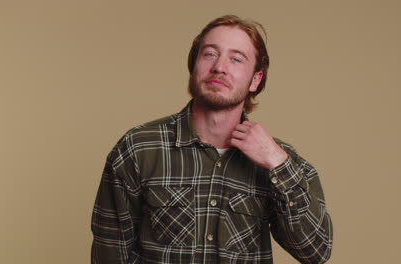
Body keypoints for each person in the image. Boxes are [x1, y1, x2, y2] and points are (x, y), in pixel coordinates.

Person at [91, 15, 333, 263]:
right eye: (209, 54)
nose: (220, 67)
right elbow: (110, 252)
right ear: (194, 64)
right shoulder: (138, 148)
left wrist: (278, 165)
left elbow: (316, 252)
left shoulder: (281, 161)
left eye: (236, 59)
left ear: (255, 79)